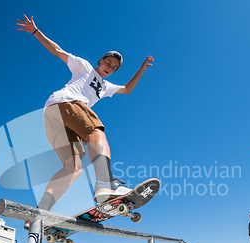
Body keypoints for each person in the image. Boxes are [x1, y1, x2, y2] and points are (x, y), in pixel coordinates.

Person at [16, 15, 155, 222]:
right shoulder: (85, 66)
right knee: (96, 132)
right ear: (101, 60)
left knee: (73, 167)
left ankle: (38, 213)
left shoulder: (106, 87)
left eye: (114, 67)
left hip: (54, 117)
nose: (109, 67)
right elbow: (57, 51)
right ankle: (106, 183)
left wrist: (142, 69)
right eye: (108, 62)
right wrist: (36, 31)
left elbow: (127, 89)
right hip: (67, 103)